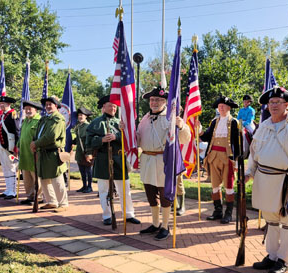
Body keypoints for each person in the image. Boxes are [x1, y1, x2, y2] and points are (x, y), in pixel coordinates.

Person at [245, 87, 288, 273]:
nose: (274, 105)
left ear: (287, 105)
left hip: (287, 183)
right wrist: (249, 172)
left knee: (287, 221)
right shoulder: (264, 126)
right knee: (271, 220)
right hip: (265, 181)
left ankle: (284, 259)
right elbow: (254, 153)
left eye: (278, 102)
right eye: (271, 102)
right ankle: (272, 256)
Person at [137, 86, 190, 240]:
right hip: (147, 160)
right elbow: (138, 138)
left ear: (165, 101)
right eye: (152, 99)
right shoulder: (145, 118)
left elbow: (185, 138)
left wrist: (181, 126)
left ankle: (165, 226)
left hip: (163, 161)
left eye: (159, 100)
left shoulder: (171, 117)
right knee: (151, 194)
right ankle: (155, 223)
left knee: (165, 195)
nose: (154, 102)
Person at [86, 96, 140, 226]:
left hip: (119, 158)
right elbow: (88, 142)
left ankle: (129, 214)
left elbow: (130, 139)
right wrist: (101, 140)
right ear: (104, 107)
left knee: (124, 189)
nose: (113, 108)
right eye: (110, 106)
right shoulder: (96, 123)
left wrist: (117, 136)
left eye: (115, 106)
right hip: (103, 159)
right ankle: (107, 215)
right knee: (104, 190)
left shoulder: (121, 123)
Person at [198, 95, 240, 224]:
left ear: (229, 108)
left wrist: (236, 161)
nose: (221, 108)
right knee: (215, 185)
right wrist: (199, 130)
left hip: (227, 158)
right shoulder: (214, 121)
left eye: (224, 106)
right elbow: (206, 137)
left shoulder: (234, 122)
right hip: (213, 156)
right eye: (219, 106)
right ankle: (217, 211)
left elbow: (236, 143)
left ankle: (228, 214)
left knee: (228, 185)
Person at [30, 96, 68, 212]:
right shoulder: (44, 119)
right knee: (44, 178)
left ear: (56, 106)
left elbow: (51, 137)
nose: (47, 106)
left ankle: (63, 203)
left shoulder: (58, 119)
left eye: (50, 104)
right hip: (43, 152)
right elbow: (38, 133)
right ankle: (52, 201)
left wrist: (36, 143)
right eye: (46, 104)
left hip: (53, 153)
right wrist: (35, 143)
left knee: (57, 179)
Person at [18, 100, 43, 205]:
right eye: (26, 109)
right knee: (27, 178)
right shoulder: (25, 121)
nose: (27, 111)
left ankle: (39, 197)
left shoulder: (39, 121)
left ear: (35, 110)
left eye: (30, 109)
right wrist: (18, 146)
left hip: (34, 153)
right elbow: (22, 135)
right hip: (24, 154)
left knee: (36, 177)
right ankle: (30, 196)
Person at [0, 96, 20, 199]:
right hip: (2, 146)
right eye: (0, 103)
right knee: (5, 168)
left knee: (11, 168)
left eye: (4, 104)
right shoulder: (3, 115)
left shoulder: (12, 115)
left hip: (9, 147)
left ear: (9, 104)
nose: (1, 105)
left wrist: (16, 148)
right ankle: (8, 189)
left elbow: (17, 131)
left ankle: (13, 191)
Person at [73, 107, 93, 193]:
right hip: (79, 152)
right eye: (79, 115)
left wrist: (88, 153)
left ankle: (89, 186)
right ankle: (84, 185)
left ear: (86, 116)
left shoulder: (88, 126)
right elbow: (77, 139)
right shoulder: (78, 127)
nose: (80, 117)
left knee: (88, 170)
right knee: (82, 170)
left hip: (86, 152)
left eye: (82, 115)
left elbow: (89, 141)